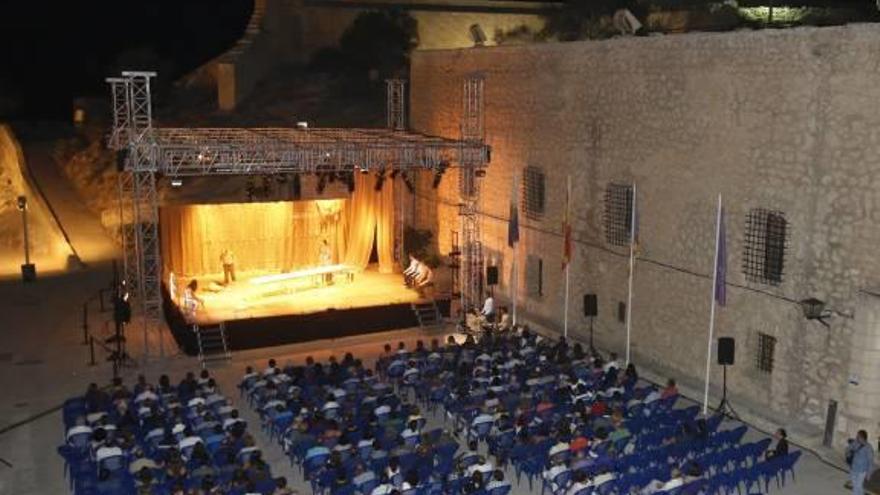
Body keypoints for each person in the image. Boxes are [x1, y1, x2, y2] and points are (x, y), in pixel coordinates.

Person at [847, 429, 875, 495]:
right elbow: (850, 448)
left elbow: (870, 461)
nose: (856, 437)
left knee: (858, 486)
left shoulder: (868, 447)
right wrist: (848, 452)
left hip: (862, 470)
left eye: (858, 436)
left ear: (862, 437)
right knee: (856, 485)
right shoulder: (856, 443)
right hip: (854, 468)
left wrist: (869, 474)